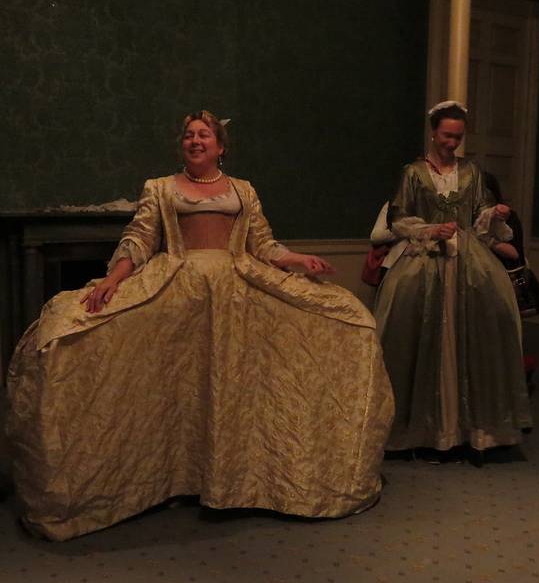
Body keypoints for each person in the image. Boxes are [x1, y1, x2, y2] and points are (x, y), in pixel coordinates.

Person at [6, 110, 394, 541]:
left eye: (204, 135)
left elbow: (262, 244)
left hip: (237, 287)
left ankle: (239, 477)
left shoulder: (243, 190)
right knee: (104, 347)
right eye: (189, 135)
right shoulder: (160, 188)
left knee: (343, 320)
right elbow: (139, 240)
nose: (195, 140)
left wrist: (300, 259)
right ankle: (166, 477)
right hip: (179, 283)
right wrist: (113, 280)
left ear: (220, 146)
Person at [373, 100, 531, 457]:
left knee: (481, 329)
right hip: (425, 259)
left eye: (458, 136)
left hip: (469, 261)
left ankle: (471, 427)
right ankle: (424, 428)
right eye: (446, 135)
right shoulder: (413, 173)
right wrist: (430, 229)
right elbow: (398, 218)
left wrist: (494, 213)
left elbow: (479, 216)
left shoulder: (472, 172)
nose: (452, 142)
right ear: (433, 133)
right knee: (414, 332)